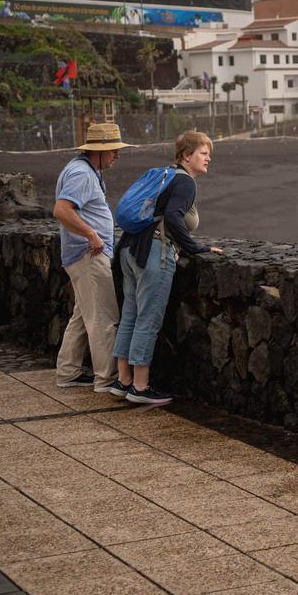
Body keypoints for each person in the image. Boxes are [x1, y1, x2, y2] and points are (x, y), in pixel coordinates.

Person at [111, 131, 221, 405]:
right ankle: (140, 386)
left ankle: (122, 380)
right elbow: (173, 216)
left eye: (209, 153)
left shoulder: (166, 174)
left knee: (130, 315)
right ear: (186, 155)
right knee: (148, 317)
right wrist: (196, 247)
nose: (208, 158)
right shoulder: (185, 182)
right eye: (203, 153)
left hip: (129, 248)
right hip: (153, 252)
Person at [52, 122, 130, 391]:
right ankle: (106, 379)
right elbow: (62, 210)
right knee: (104, 318)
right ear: (97, 151)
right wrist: (91, 234)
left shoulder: (83, 170)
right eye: (112, 151)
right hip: (88, 255)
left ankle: (68, 372)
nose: (116, 156)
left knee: (83, 317)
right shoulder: (82, 174)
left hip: (81, 254)